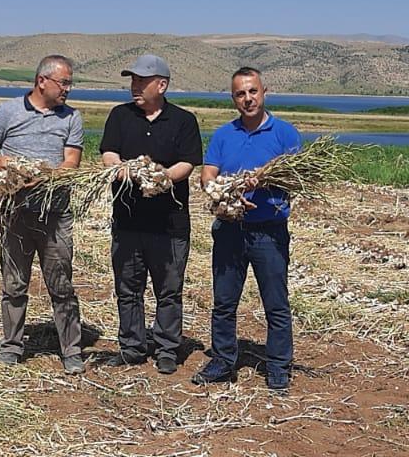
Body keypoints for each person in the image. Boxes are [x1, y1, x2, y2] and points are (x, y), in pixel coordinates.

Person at [0, 55, 86, 373]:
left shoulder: (72, 118)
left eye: (69, 83)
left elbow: (72, 162)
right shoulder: (8, 111)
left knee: (61, 284)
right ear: (42, 81)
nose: (68, 89)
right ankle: (11, 347)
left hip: (54, 215)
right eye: (63, 82)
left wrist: (45, 176)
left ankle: (72, 350)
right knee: (14, 285)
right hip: (15, 214)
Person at [194, 67, 301, 393]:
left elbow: (298, 179)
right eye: (240, 94)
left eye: (252, 91)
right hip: (229, 229)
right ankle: (223, 361)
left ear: (264, 92)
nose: (248, 98)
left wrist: (266, 177)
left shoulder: (285, 134)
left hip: (269, 232)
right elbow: (207, 173)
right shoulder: (225, 135)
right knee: (224, 302)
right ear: (233, 98)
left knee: (276, 303)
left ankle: (279, 367)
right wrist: (221, 189)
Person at [98, 53, 202, 374]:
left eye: (141, 81)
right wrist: (123, 171)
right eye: (132, 80)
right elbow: (109, 153)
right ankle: (131, 347)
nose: (135, 87)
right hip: (128, 222)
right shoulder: (119, 116)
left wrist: (163, 178)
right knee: (128, 288)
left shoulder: (183, 120)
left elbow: (188, 162)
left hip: (169, 225)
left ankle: (167, 348)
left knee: (168, 290)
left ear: (162, 85)